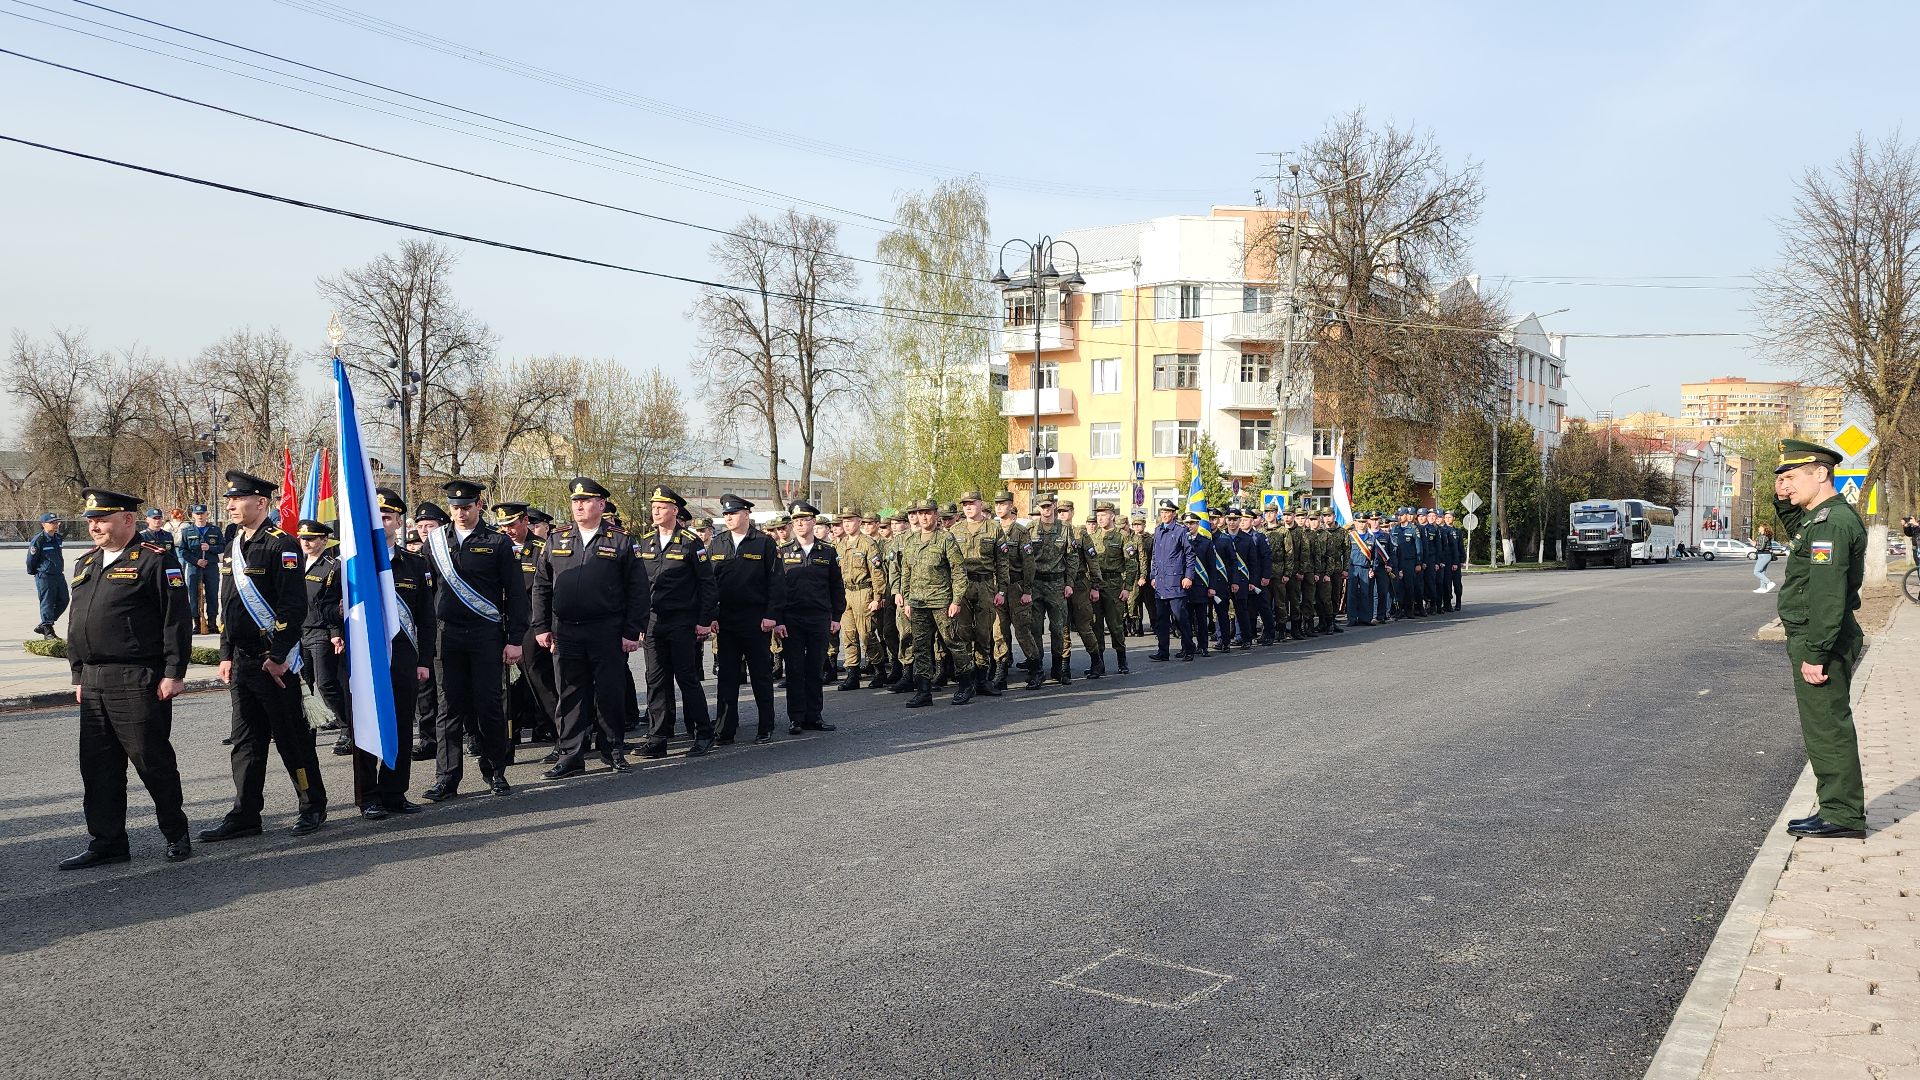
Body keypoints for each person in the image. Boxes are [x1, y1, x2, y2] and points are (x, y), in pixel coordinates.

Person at [57, 488, 193, 869]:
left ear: (128, 520)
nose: (94, 525)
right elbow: (76, 623)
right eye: (90, 519)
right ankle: (108, 841)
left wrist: (174, 673)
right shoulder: (85, 563)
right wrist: (78, 674)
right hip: (95, 678)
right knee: (97, 766)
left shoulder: (154, 561)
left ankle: (175, 832)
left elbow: (176, 620)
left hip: (137, 676)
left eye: (102, 518)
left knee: (151, 759)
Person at [201, 469, 326, 842]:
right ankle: (245, 814)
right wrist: (224, 653)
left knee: (291, 738)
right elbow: (226, 605)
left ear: (261, 503)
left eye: (238, 499)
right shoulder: (232, 546)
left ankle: (311, 805)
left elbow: (292, 607)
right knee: (246, 740)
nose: (231, 505)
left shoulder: (281, 544)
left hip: (274, 661)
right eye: (229, 500)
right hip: (241, 660)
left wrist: (279, 654)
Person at [1772, 437, 1869, 841]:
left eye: (1792, 478)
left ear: (1821, 474)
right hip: (1818, 635)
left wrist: (1816, 652)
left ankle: (1843, 814)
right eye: (1781, 480)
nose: (1784, 487)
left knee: (1828, 728)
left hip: (1820, 639)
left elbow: (1828, 596)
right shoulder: (1819, 517)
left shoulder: (1831, 524)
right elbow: (1795, 526)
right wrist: (1785, 495)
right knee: (1824, 725)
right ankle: (1837, 807)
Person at [534, 477, 649, 779]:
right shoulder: (556, 539)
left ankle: (613, 750)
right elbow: (542, 586)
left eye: (586, 501)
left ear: (601, 504)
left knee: (609, 692)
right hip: (565, 630)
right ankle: (571, 755)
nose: (579, 506)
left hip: (606, 630)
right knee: (569, 693)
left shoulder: (620, 540)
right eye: (575, 501)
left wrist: (631, 630)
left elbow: (637, 590)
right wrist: (541, 626)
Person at [421, 480, 527, 801]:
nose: (460, 513)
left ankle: (495, 771)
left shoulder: (496, 542)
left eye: (466, 507)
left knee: (488, 705)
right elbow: (426, 594)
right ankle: (447, 778)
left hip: (486, 636)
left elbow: (516, 594)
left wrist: (515, 639)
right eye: (454, 508)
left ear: (479, 505)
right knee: (448, 708)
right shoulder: (436, 542)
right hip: (446, 637)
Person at [359, 488, 432, 820]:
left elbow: (426, 617)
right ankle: (368, 796)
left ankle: (394, 791)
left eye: (386, 517)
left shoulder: (414, 563)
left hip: (404, 655)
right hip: (365, 657)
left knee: (402, 723)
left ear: (399, 522)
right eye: (376, 516)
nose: (381, 522)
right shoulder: (355, 564)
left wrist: (424, 661)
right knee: (367, 724)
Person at [633, 486, 717, 758]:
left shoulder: (691, 543)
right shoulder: (645, 542)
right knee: (655, 681)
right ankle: (658, 738)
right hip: (653, 623)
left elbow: (707, 584)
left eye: (661, 506)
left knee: (687, 679)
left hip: (682, 621)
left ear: (675, 510)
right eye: (653, 506)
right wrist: (637, 623)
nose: (655, 510)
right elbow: (637, 586)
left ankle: (703, 733)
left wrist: (704, 621)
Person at [708, 493, 783, 745]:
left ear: (746, 514)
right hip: (726, 619)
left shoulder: (763, 543)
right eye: (726, 514)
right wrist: (711, 616)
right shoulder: (718, 543)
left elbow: (776, 582)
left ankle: (765, 726)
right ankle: (725, 728)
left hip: (755, 619)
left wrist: (771, 615)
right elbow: (709, 584)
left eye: (734, 513)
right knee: (727, 677)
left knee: (760, 675)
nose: (729, 517)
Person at [774, 501, 843, 732]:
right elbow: (775, 589)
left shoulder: (828, 551)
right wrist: (779, 619)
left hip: (819, 617)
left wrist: (836, 616)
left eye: (804, 519)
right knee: (794, 669)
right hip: (791, 619)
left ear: (814, 522)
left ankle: (814, 716)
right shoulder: (782, 553)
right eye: (796, 520)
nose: (800, 524)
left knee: (815, 669)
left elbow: (836, 586)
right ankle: (795, 717)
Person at [897, 498, 971, 708]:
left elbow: (959, 572)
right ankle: (923, 691)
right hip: (918, 603)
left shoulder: (946, 539)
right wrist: (908, 599)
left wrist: (956, 600)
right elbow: (906, 573)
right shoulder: (911, 541)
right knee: (921, 647)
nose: (924, 517)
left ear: (936, 515)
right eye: (920, 513)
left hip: (941, 601)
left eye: (928, 513)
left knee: (952, 643)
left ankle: (966, 683)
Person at [494, 502, 557, 747]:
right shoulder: (496, 546)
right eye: (502, 526)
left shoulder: (541, 548)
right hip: (499, 621)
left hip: (531, 623)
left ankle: (562, 736)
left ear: (524, 521)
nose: (507, 530)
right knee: (501, 685)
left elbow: (549, 590)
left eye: (511, 525)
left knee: (539, 680)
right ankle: (506, 737)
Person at [295, 520, 351, 753]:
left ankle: (347, 728)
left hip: (321, 632)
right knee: (303, 686)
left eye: (312, 539)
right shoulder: (294, 563)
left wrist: (336, 633)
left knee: (327, 683)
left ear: (324, 541)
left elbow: (334, 603)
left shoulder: (332, 567)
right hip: (298, 632)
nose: (306, 543)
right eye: (303, 538)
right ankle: (307, 730)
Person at [947, 491, 1006, 698]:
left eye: (972, 503)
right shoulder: (955, 529)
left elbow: (1002, 562)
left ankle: (982, 679)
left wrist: (1002, 590)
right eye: (965, 504)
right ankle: (966, 678)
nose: (968, 507)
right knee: (962, 634)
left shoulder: (994, 528)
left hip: (985, 584)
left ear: (981, 504)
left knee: (983, 633)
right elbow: (949, 564)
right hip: (962, 585)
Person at [1020, 492, 1078, 688]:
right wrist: (1026, 587)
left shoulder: (1065, 529)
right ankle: (1037, 670)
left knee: (1059, 628)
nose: (1046, 509)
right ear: (1038, 508)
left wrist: (1069, 582)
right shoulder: (1029, 529)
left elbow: (1072, 557)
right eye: (1042, 506)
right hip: (1035, 584)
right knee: (1034, 628)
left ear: (1054, 506)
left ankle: (1059, 669)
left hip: (1056, 584)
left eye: (1049, 506)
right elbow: (1025, 560)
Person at [835, 505, 888, 691]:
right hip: (846, 593)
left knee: (866, 635)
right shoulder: (840, 545)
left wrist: (878, 596)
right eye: (845, 521)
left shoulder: (867, 544)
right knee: (848, 635)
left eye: (851, 520)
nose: (847, 524)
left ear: (859, 522)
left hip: (864, 592)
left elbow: (877, 572)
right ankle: (852, 674)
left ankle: (879, 670)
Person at [1146, 500, 1193, 661]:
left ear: (1173, 514)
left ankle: (1188, 649)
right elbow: (1154, 556)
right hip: (1160, 583)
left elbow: (1190, 555)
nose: (1164, 515)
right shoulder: (1158, 530)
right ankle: (1163, 651)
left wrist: (1188, 576)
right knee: (1161, 621)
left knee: (1180, 618)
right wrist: (1153, 576)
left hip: (1176, 582)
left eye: (1167, 512)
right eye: (1162, 512)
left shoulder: (1181, 531)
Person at [176, 504, 221, 634]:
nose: (200, 516)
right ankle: (197, 622)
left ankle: (212, 623)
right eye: (197, 514)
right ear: (193, 516)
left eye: (202, 514)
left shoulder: (215, 530)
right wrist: (196, 561)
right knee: (194, 594)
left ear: (207, 515)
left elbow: (223, 546)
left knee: (212, 594)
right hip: (194, 567)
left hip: (211, 566)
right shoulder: (187, 531)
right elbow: (182, 551)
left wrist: (210, 548)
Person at [27, 511, 68, 638]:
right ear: (43, 524)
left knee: (64, 600)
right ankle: (48, 630)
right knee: (47, 602)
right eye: (52, 523)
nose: (56, 525)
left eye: (56, 522)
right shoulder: (39, 540)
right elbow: (30, 559)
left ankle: (44, 625)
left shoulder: (58, 538)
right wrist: (34, 572)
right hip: (44, 575)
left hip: (58, 574)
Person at [1752, 524, 1778, 594]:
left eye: (1760, 527)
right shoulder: (1766, 537)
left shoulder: (1763, 537)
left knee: (1756, 572)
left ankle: (1769, 583)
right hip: (1765, 555)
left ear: (1763, 528)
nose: (1758, 528)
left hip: (1764, 555)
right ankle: (1762, 588)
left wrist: (1754, 545)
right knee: (1762, 572)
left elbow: (1761, 548)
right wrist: (1756, 543)